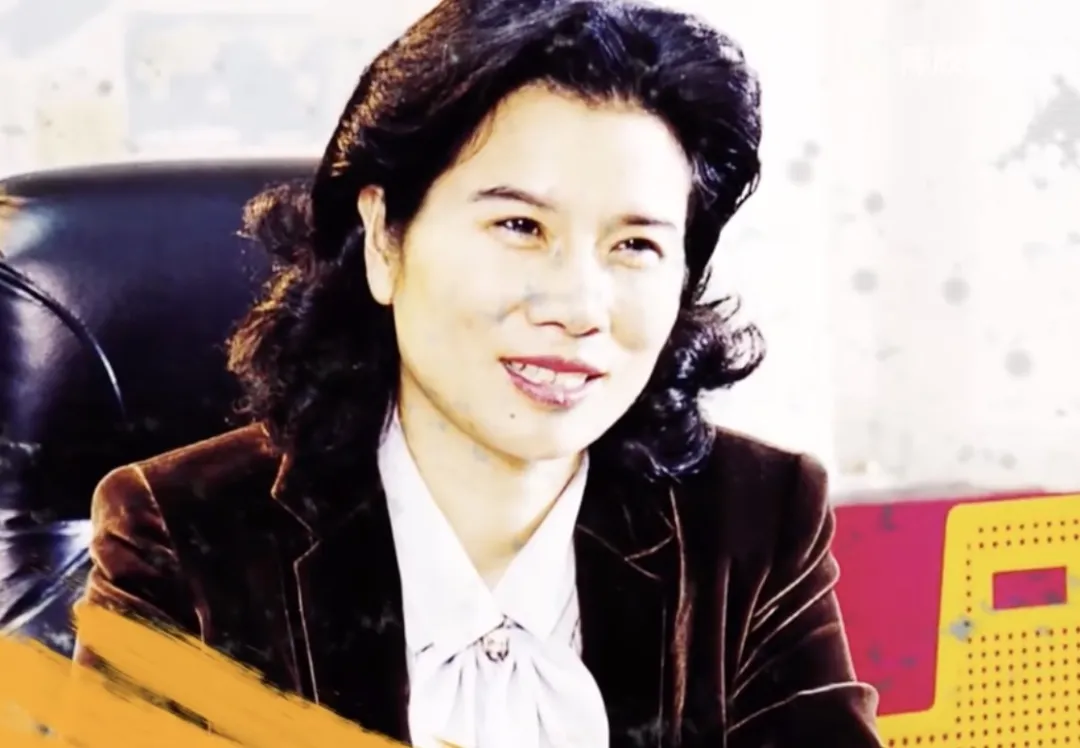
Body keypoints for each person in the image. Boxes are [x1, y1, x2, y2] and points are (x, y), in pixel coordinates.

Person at [72, 0, 884, 746]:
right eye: (520, 226)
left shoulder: (755, 521)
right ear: (385, 239)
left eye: (635, 245)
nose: (579, 306)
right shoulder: (186, 538)